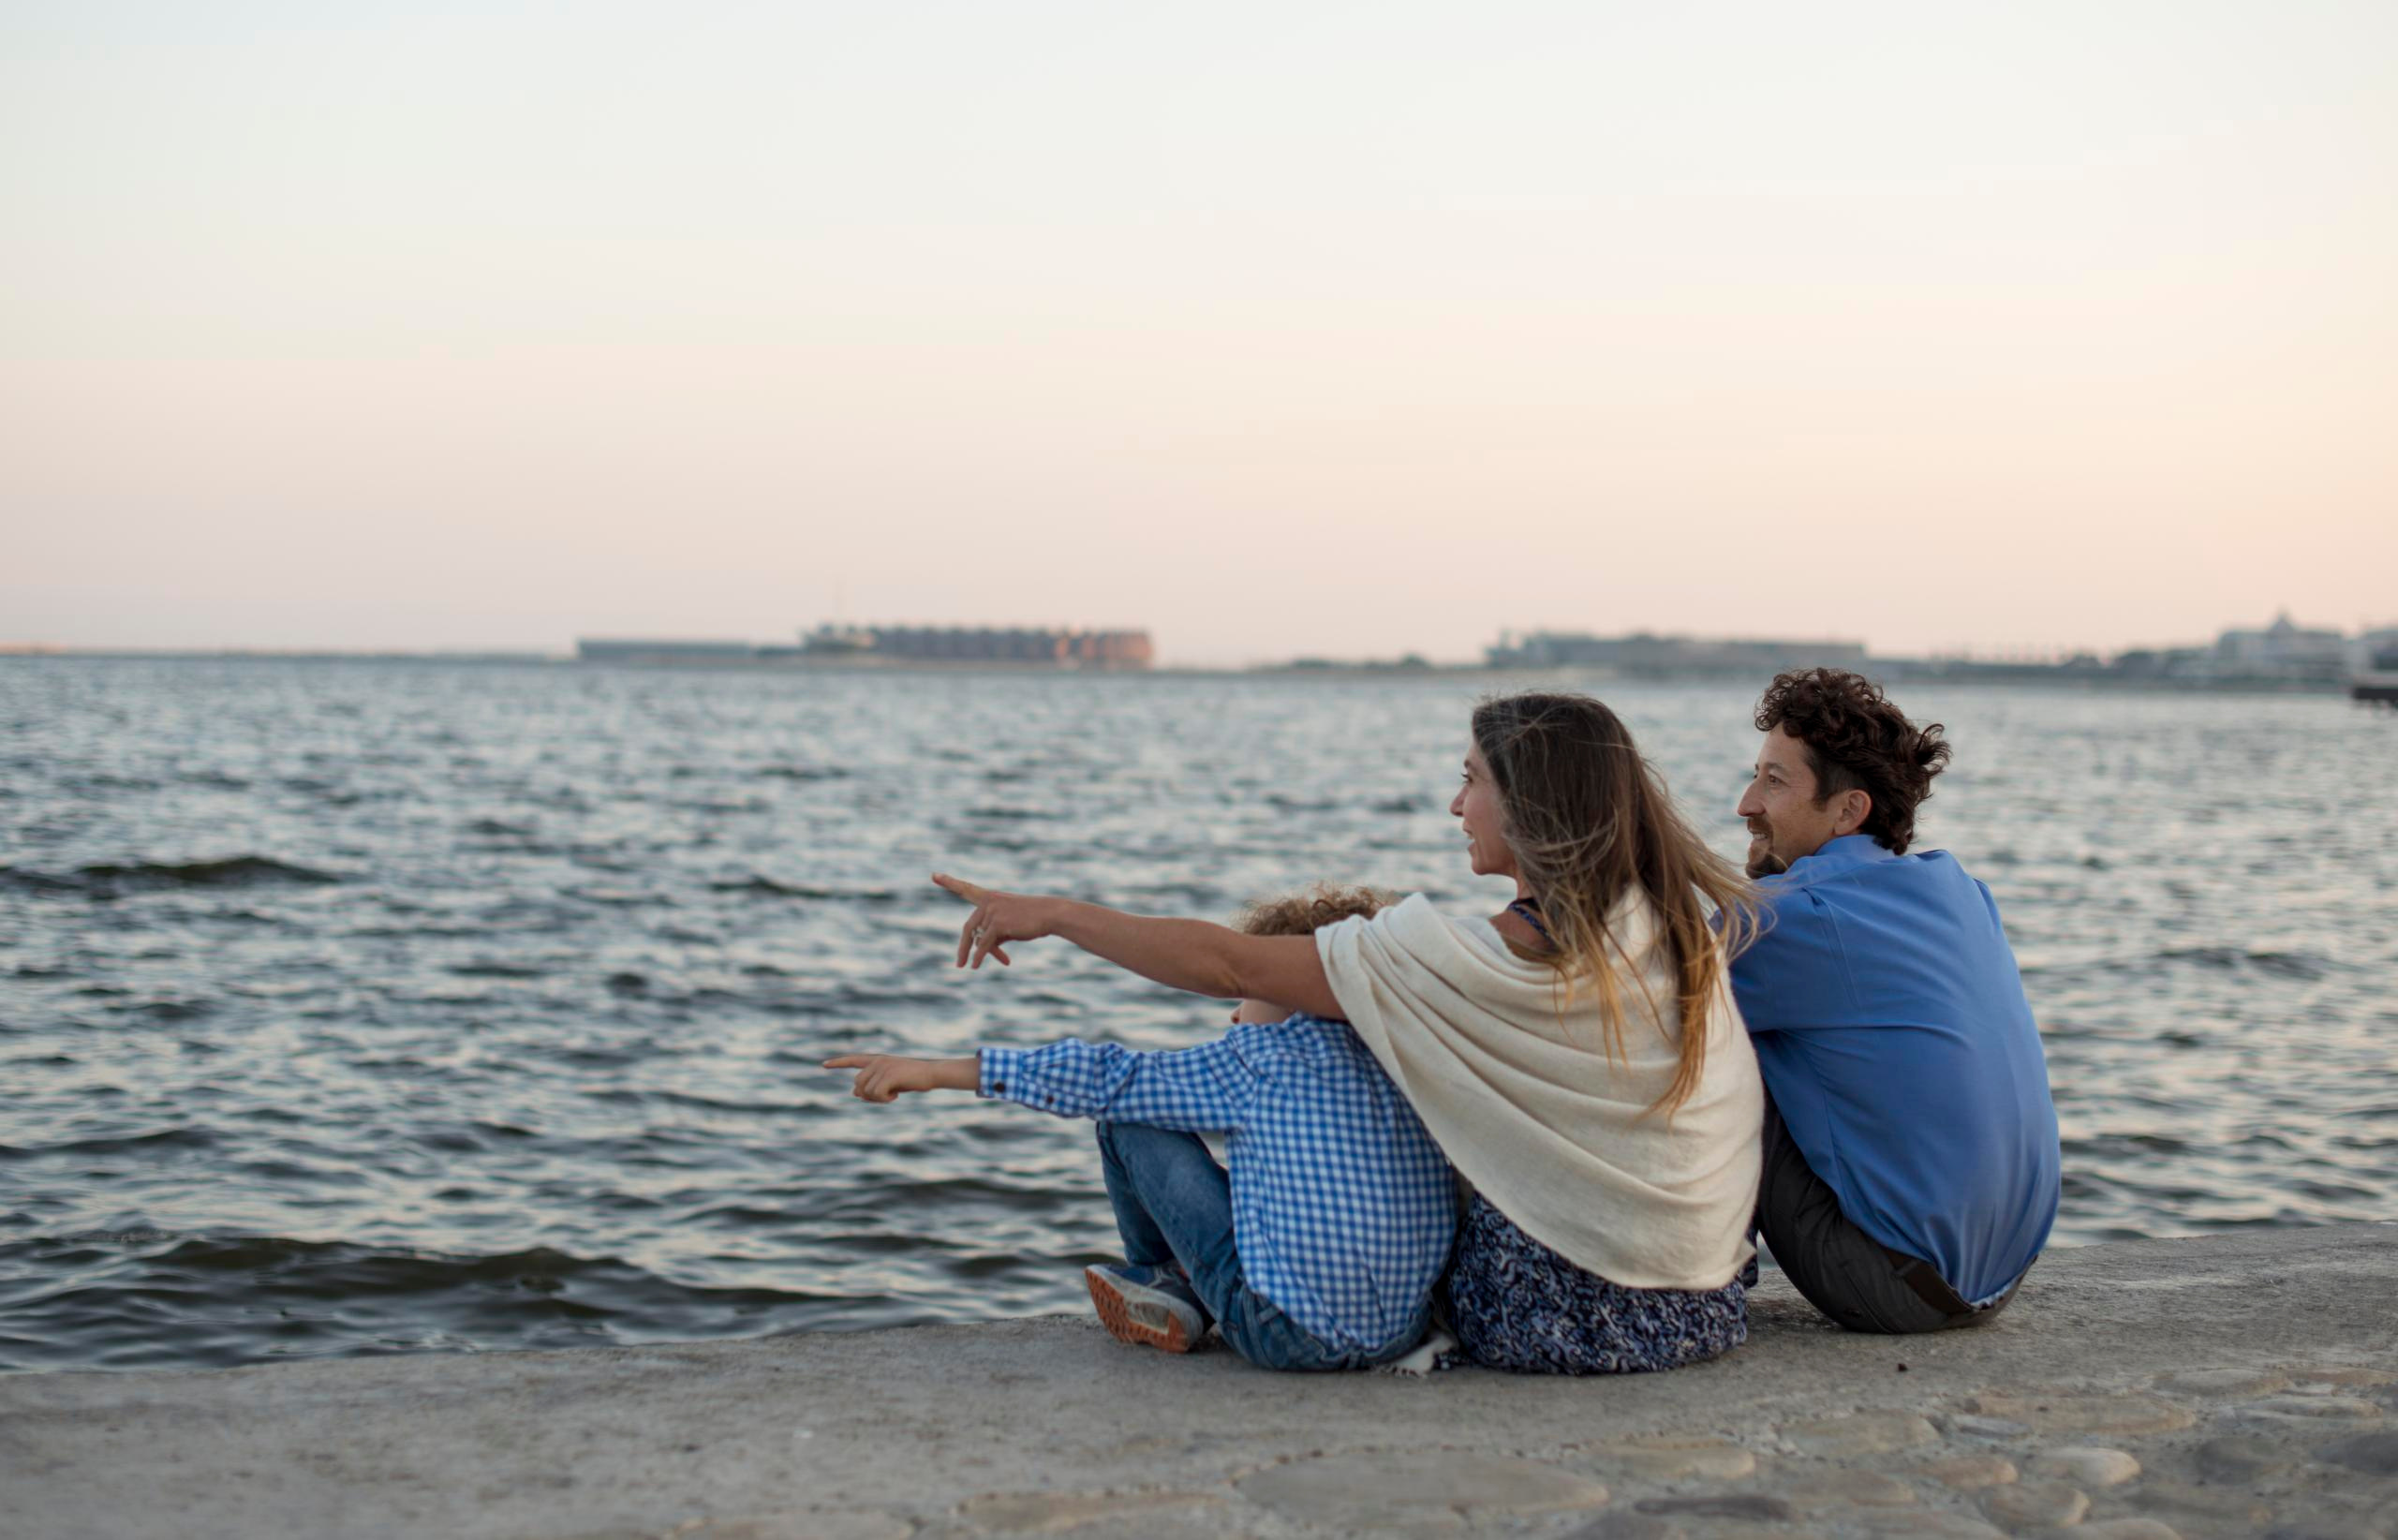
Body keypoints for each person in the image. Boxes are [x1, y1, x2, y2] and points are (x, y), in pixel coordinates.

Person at [905, 692, 1766, 1375]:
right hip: (1702, 1303)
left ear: (1532, 804)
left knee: (1227, 1095)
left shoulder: (1473, 960)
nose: (1455, 804)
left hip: (1555, 1320)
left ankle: (1181, 1287)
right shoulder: (1669, 929)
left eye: (1472, 781)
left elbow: (1232, 968)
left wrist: (1054, 913)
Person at [826, 885, 1455, 1372]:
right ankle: (1186, 1286)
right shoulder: (1408, 1065)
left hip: (1282, 1333)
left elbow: (1107, 1076)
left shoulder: (1263, 1059)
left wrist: (937, 1072)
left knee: (1128, 1115)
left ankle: (1168, 1285)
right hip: (1399, 1331)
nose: (1235, 1014)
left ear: (1289, 990)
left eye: (1247, 994)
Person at [1731, 668, 2061, 1334]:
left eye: (1774, 782)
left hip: (1896, 1287)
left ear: (1849, 810)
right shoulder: (1957, 888)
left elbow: (1629, 1005)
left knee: (1708, 1038)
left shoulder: (1796, 917)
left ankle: (1677, 1294)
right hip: (2003, 1277)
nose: (1745, 804)